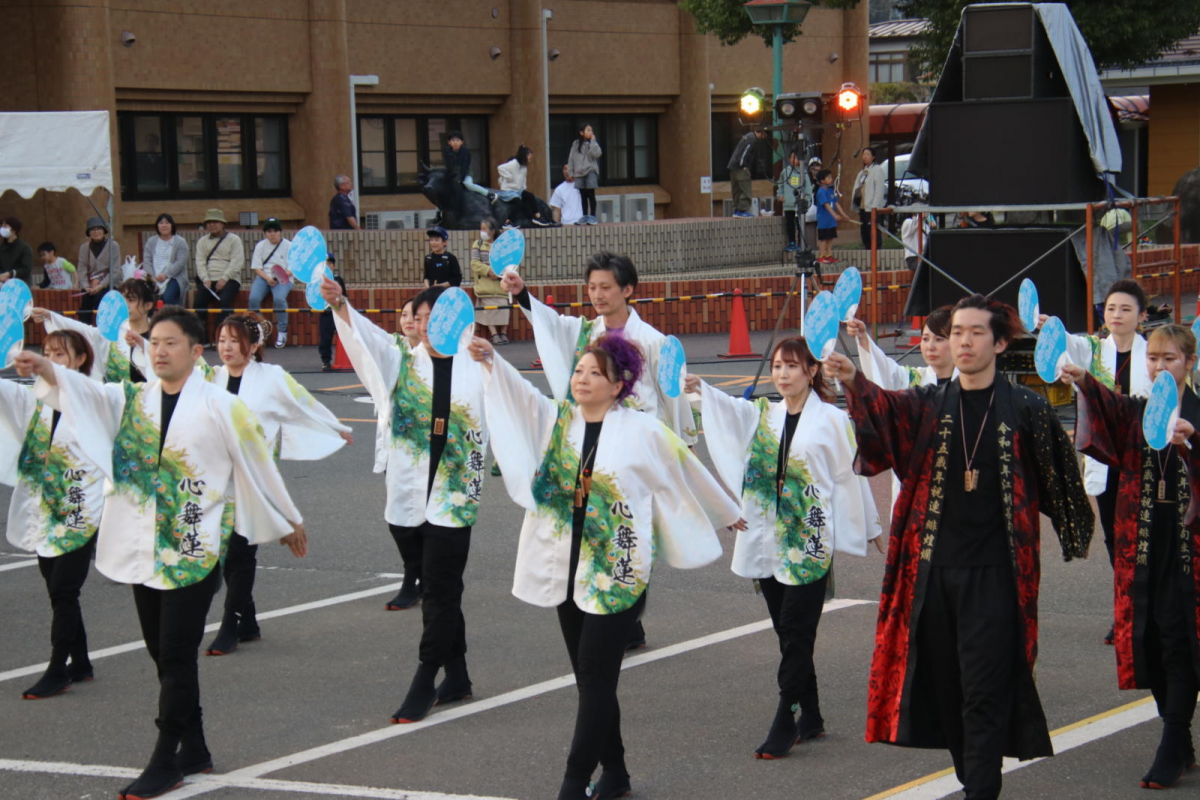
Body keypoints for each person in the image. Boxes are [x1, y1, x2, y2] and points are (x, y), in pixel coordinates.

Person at [14, 305, 308, 800]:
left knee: (174, 654)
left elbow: (258, 463)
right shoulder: (131, 398)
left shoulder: (221, 405)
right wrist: (46, 369)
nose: (159, 350)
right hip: (140, 547)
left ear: (196, 352)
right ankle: (194, 748)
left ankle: (166, 756)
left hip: (192, 550)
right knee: (161, 654)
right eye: (153, 343)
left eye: (171, 342)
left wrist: (287, 518)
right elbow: (85, 393)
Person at [823, 294, 1094, 800]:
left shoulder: (1027, 407)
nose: (962, 341)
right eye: (956, 332)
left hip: (997, 572)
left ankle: (981, 790)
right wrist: (853, 381)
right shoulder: (929, 403)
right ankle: (973, 772)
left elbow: (1060, 475)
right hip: (932, 570)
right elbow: (884, 417)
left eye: (975, 332)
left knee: (984, 689)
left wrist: (1074, 529)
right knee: (946, 686)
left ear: (1001, 342)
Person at [466, 332, 741, 800]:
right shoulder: (557, 421)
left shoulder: (643, 430)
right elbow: (519, 397)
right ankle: (616, 772)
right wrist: (492, 360)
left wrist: (726, 512)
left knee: (594, 676)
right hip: (563, 567)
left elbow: (684, 470)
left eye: (597, 373)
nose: (584, 379)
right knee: (591, 680)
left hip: (616, 572)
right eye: (579, 371)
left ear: (619, 386)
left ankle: (573, 784)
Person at [686, 337, 880, 759]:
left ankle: (785, 716)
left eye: (792, 366)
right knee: (787, 631)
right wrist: (703, 391)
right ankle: (810, 715)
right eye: (777, 366)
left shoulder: (831, 419)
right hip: (766, 538)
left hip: (808, 541)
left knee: (796, 628)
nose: (782, 374)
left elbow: (852, 475)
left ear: (811, 371)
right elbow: (729, 413)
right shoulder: (764, 414)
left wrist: (870, 525)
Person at [320, 277, 489, 722]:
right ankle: (458, 676)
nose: (432, 326)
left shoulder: (480, 367)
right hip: (410, 495)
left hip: (455, 497)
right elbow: (368, 341)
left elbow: (523, 410)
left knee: (439, 588)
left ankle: (425, 675)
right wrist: (342, 306)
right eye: (425, 319)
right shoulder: (402, 363)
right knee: (438, 588)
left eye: (442, 319)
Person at [1061, 326, 1200, 790]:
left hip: (1190, 549)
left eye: (1171, 359)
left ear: (1190, 363)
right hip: (1143, 543)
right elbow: (1107, 410)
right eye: (1154, 358)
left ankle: (1172, 739)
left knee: (1182, 641)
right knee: (1154, 639)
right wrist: (1084, 380)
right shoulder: (1138, 412)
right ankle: (1179, 742)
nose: (1160, 366)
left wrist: (1191, 445)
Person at [206, 313, 352, 656]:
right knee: (227, 554)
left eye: (234, 340)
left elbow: (302, 402)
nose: (226, 347)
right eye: (222, 340)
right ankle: (249, 621)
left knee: (243, 550)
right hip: (219, 480)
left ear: (254, 345)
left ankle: (230, 624)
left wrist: (334, 426)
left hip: (256, 477)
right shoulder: (212, 377)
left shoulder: (271, 378)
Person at [1, 330, 100, 699]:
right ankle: (82, 660)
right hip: (45, 510)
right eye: (47, 353)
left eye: (60, 354)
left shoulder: (93, 398)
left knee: (63, 588)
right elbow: (7, 394)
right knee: (57, 589)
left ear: (78, 361)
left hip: (81, 509)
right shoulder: (37, 401)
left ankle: (59, 669)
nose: (52, 359)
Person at [1061, 279, 1151, 645]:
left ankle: (1148, 614)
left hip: (1146, 457)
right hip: (1107, 457)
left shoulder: (1153, 352)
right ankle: (1125, 615)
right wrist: (1047, 326)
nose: (1117, 315)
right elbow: (1065, 347)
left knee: (1146, 539)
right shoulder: (1093, 350)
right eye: (1111, 308)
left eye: (1126, 309)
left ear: (1142, 316)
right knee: (1117, 540)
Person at [846, 306, 956, 512]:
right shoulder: (914, 379)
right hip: (915, 483)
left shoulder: (970, 386)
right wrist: (863, 338)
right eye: (925, 339)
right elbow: (886, 373)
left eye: (939, 339)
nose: (930, 346)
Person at [33, 276, 159, 383]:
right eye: (122, 299)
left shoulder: (159, 335)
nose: (125, 304)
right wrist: (49, 316)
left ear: (148, 305)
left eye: (131, 300)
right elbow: (85, 331)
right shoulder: (112, 332)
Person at [193, 208, 245, 344]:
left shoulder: (234, 240)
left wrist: (225, 278)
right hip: (208, 279)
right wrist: (205, 279)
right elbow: (200, 262)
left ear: (223, 223)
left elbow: (237, 261)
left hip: (229, 278)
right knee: (199, 303)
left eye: (215, 221)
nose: (212, 225)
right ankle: (202, 338)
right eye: (209, 222)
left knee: (224, 302)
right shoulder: (202, 242)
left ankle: (219, 337)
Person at [247, 218, 292, 348]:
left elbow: (292, 269)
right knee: (253, 298)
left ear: (280, 232)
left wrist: (279, 277)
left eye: (275, 231)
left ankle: (282, 331)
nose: (273, 234)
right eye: (269, 231)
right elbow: (256, 268)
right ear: (265, 233)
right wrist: (268, 278)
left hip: (284, 277)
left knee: (279, 299)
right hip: (264, 277)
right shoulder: (260, 246)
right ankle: (260, 327)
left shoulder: (289, 245)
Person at [470, 218, 510, 345]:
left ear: (492, 231)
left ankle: (503, 333)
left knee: (504, 307)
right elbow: (475, 263)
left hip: (501, 282)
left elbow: (509, 263)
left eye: (484, 229)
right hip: (485, 283)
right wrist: (488, 271)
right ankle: (494, 334)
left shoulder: (503, 245)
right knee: (488, 308)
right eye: (481, 229)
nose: (482, 231)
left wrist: (499, 273)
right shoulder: (478, 244)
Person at [76, 217, 120, 326]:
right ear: (88, 232)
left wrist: (100, 286)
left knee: (99, 300)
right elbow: (81, 268)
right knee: (85, 306)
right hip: (90, 284)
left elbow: (115, 270)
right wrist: (86, 286)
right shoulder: (84, 248)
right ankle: (84, 332)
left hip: (108, 283)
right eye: (92, 229)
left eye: (99, 229)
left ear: (104, 230)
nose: (96, 232)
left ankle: (103, 332)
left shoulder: (113, 245)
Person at [142, 213, 190, 306]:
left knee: (167, 297)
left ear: (172, 225)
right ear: (157, 226)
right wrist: (151, 277)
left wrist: (166, 275)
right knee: (146, 296)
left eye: (167, 223)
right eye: (161, 223)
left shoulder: (180, 242)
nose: (164, 225)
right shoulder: (151, 241)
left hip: (174, 277)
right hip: (153, 277)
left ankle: (172, 318)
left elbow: (180, 263)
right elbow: (147, 261)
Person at [496, 145, 549, 227]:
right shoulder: (513, 164)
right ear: (525, 156)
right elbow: (500, 168)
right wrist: (509, 177)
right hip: (508, 190)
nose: (530, 160)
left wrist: (523, 188)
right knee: (518, 202)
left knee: (530, 196)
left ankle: (537, 217)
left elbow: (523, 179)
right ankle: (507, 221)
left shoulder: (524, 167)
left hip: (518, 190)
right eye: (529, 158)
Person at [851, 147, 885, 249]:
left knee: (873, 231)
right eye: (864, 155)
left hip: (872, 207)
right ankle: (867, 250)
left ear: (873, 157)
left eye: (868, 155)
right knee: (864, 231)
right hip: (863, 206)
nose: (865, 157)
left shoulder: (877, 170)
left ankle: (876, 251)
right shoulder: (862, 172)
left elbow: (879, 190)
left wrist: (875, 206)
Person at [568, 124, 602, 225]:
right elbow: (571, 158)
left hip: (590, 170)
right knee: (582, 194)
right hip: (579, 171)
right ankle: (584, 216)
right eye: (588, 130)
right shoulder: (576, 144)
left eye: (591, 130)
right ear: (581, 132)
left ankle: (592, 217)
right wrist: (571, 171)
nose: (590, 132)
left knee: (590, 193)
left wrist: (593, 142)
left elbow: (596, 154)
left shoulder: (593, 143)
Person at [727, 129, 766, 218]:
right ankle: (742, 210)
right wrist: (743, 166)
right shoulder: (752, 139)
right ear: (762, 133)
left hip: (733, 166)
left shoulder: (748, 135)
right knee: (745, 189)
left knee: (736, 189)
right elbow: (744, 153)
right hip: (740, 167)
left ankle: (736, 210)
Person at [776, 150, 810, 252]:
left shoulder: (803, 172)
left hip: (799, 205)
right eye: (791, 157)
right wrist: (780, 195)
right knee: (790, 225)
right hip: (788, 204)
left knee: (800, 224)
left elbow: (808, 187)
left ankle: (801, 243)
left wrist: (807, 200)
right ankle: (791, 242)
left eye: (795, 158)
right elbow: (780, 185)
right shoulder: (785, 172)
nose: (793, 160)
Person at [317, 258, 347, 372]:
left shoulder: (338, 279)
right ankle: (326, 361)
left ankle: (348, 360)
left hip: (338, 312)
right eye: (324, 263)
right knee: (325, 338)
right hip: (326, 313)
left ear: (333, 266)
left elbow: (344, 295)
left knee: (345, 336)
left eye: (329, 263)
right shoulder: (317, 280)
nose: (327, 266)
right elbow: (313, 298)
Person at [815, 169, 850, 264]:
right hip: (823, 220)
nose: (831, 179)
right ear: (822, 180)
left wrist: (844, 215)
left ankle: (828, 255)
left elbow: (837, 204)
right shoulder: (820, 192)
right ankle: (821, 256)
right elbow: (826, 205)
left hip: (831, 221)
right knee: (823, 239)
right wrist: (835, 215)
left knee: (830, 238)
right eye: (829, 177)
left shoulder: (831, 191)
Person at [444, 130, 490, 198]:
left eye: (458, 140)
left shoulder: (465, 151)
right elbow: (448, 165)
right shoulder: (447, 151)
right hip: (453, 173)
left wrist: (460, 178)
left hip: (465, 173)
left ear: (462, 142)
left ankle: (487, 193)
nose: (455, 143)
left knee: (468, 184)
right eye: (453, 140)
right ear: (449, 142)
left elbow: (465, 165)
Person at [0, 216, 34, 284]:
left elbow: (26, 269)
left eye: (5, 226)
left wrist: (9, 274)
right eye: (1, 226)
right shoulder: (1, 248)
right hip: (4, 286)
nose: (2, 228)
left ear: (14, 229)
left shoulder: (24, 248)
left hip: (21, 285)